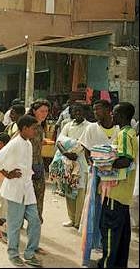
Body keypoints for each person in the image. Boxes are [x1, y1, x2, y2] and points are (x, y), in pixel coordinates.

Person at [0, 115, 42, 267]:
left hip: (27, 189)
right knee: (14, 224)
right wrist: (7, 173)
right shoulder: (14, 143)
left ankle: (29, 253)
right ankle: (13, 253)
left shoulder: (28, 143)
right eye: (33, 129)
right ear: (24, 128)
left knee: (35, 221)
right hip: (14, 189)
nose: (35, 131)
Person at [78, 100, 120, 266]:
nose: (96, 112)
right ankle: (92, 245)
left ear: (109, 110)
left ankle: (106, 244)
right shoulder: (91, 128)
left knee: (110, 210)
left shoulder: (118, 129)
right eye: (94, 109)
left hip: (115, 176)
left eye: (99, 109)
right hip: (97, 174)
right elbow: (87, 149)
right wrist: (93, 165)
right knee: (94, 211)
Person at [97, 102, 137, 268]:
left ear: (122, 116)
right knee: (121, 236)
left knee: (109, 234)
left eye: (114, 113)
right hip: (123, 193)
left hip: (115, 192)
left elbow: (125, 160)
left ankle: (106, 264)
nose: (112, 116)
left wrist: (103, 161)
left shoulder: (124, 134)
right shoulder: (130, 133)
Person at [56, 103, 90, 229]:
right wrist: (65, 153)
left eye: (80, 111)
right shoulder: (67, 125)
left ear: (85, 112)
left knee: (80, 193)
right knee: (69, 190)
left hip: (82, 164)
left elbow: (86, 144)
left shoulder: (89, 126)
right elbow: (59, 141)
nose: (77, 113)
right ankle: (71, 218)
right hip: (68, 163)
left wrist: (75, 152)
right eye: (75, 111)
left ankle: (78, 221)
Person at [27, 99, 51, 224]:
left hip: (38, 164)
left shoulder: (40, 126)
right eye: (41, 111)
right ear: (34, 111)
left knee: (38, 195)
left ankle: (35, 220)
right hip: (28, 165)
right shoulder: (29, 126)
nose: (44, 113)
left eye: (46, 111)